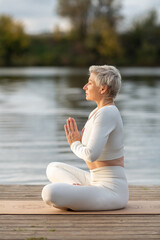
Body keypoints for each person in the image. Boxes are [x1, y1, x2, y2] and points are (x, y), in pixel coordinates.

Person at [41, 65, 129, 211]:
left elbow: (91, 155)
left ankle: (77, 193)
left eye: (90, 83)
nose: (84, 86)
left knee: (49, 192)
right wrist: (81, 142)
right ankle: (77, 188)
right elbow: (96, 150)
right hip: (94, 180)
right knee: (52, 167)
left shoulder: (107, 113)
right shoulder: (97, 112)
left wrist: (75, 143)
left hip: (111, 190)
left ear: (103, 89)